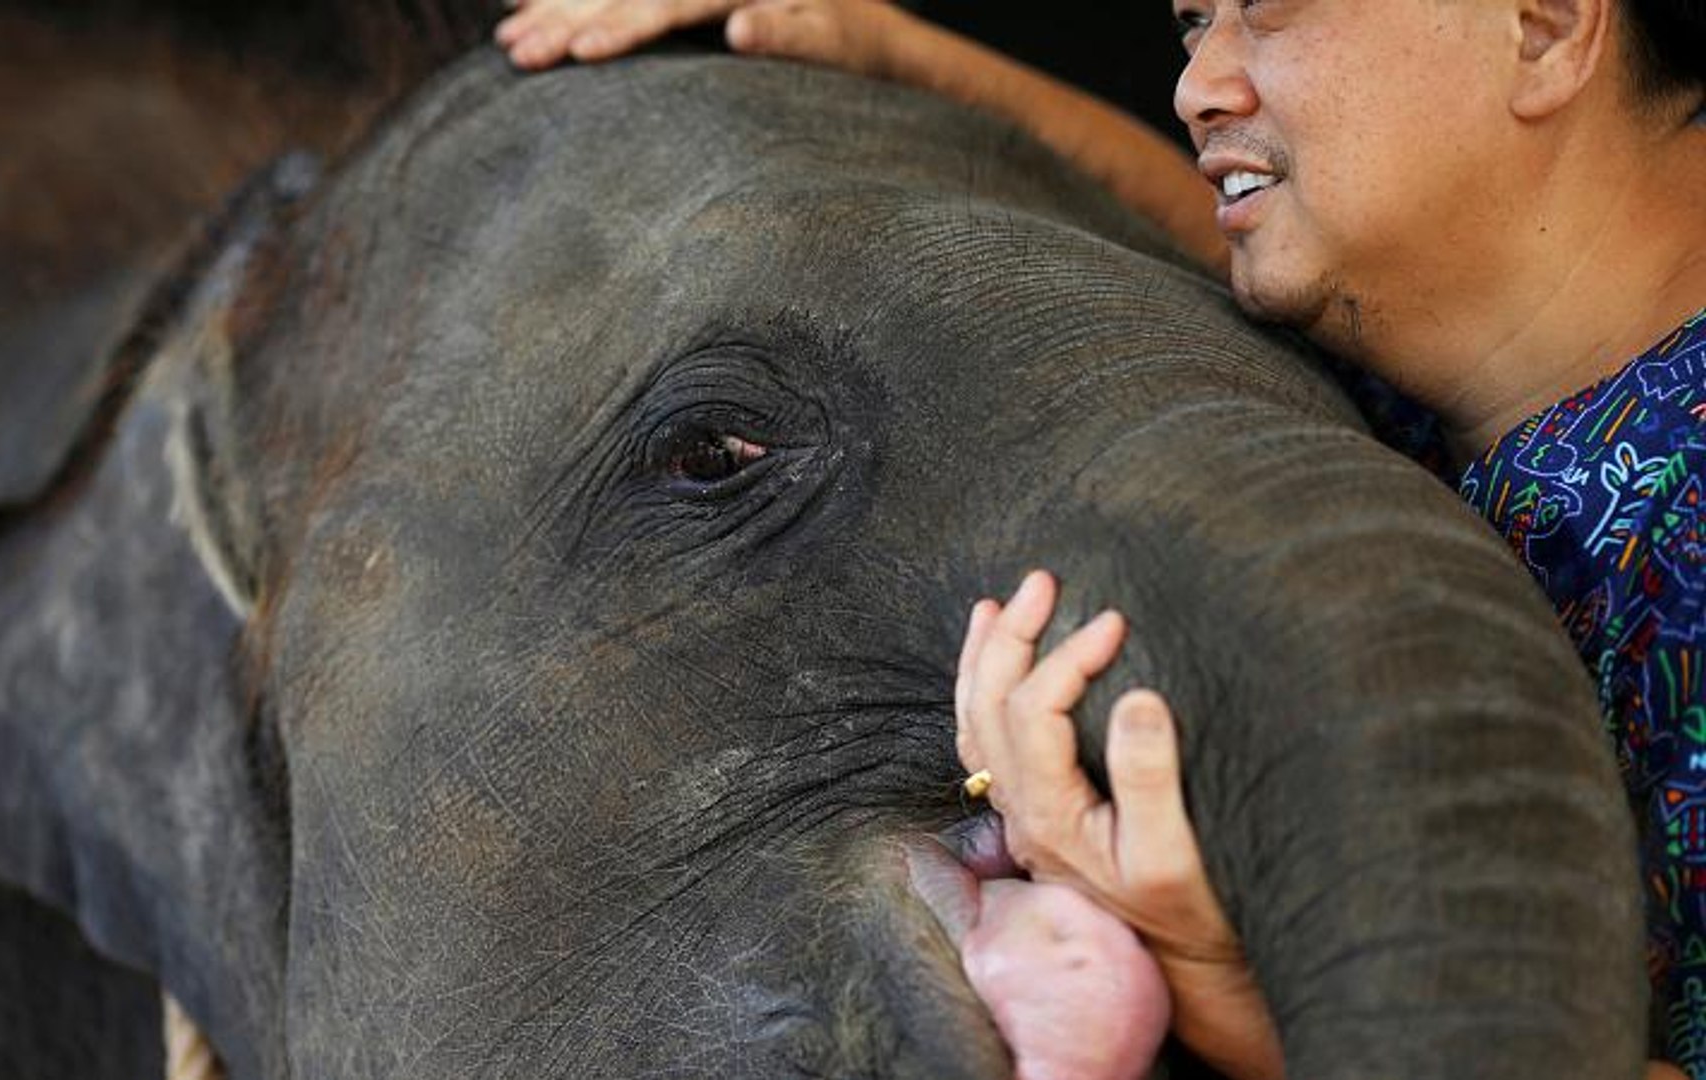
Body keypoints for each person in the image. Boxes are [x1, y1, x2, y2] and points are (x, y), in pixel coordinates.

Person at [496, 2, 1706, 1076]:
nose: (1196, 86)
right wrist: (870, 41)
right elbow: (1200, 209)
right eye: (1192, 22)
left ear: (1545, 28)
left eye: (1268, 10)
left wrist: (1251, 1004)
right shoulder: (1445, 388)